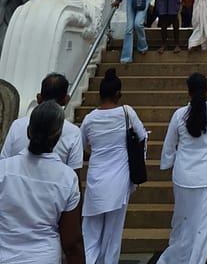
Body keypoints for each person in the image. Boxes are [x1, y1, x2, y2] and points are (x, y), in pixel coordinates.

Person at [156, 72, 207, 264]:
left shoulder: (179, 115)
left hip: (182, 177)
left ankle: (173, 260)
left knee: (181, 224)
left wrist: (170, 164)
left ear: (188, 91)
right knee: (202, 228)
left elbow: (168, 147)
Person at [0, 100, 85, 264]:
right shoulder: (67, 178)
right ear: (58, 135)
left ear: (28, 131)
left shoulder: (3, 169)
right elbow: (72, 243)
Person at [80, 67, 146, 264]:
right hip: (119, 178)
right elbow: (142, 137)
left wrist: (93, 155)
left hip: (96, 178)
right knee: (113, 232)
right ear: (119, 94)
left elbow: (79, 147)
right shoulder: (127, 113)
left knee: (90, 231)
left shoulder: (89, 119)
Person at [1, 72, 83, 177]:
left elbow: (3, 161)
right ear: (66, 99)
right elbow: (75, 176)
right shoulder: (73, 132)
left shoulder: (17, 125)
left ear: (39, 98)